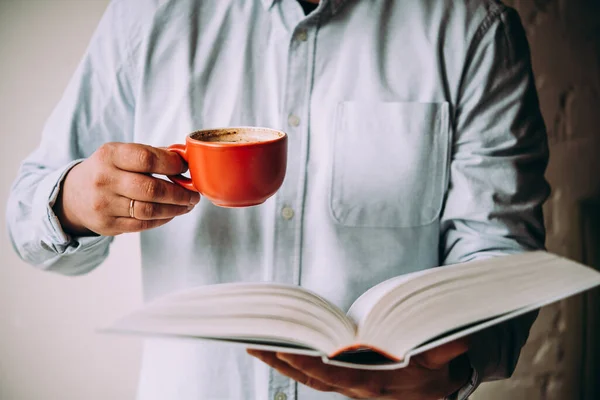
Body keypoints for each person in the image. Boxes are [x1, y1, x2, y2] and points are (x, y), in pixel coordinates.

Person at [6, 0, 550, 399]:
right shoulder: (146, 17)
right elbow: (25, 219)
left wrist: (454, 366)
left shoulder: (473, 30)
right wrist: (75, 202)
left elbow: (500, 251)